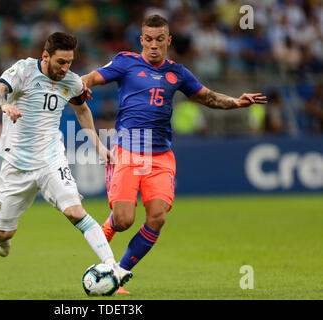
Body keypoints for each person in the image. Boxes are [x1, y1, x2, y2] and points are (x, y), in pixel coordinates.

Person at [81, 15, 267, 294]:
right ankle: (107, 240)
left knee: (157, 217)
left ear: (168, 40)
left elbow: (208, 98)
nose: (154, 45)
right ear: (141, 40)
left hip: (160, 156)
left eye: (160, 40)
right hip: (128, 151)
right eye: (148, 39)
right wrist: (83, 84)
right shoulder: (125, 62)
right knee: (123, 221)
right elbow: (91, 77)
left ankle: (117, 273)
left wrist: (236, 102)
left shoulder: (178, 73)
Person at [0, 32, 131, 285]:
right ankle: (0, 233)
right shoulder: (23, 70)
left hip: (51, 159)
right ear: (45, 56)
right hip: (16, 163)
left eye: (69, 63)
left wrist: (98, 146)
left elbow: (82, 109)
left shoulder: (72, 82)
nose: (65, 68)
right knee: (4, 232)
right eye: (60, 62)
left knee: (75, 211)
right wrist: (5, 106)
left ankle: (113, 266)